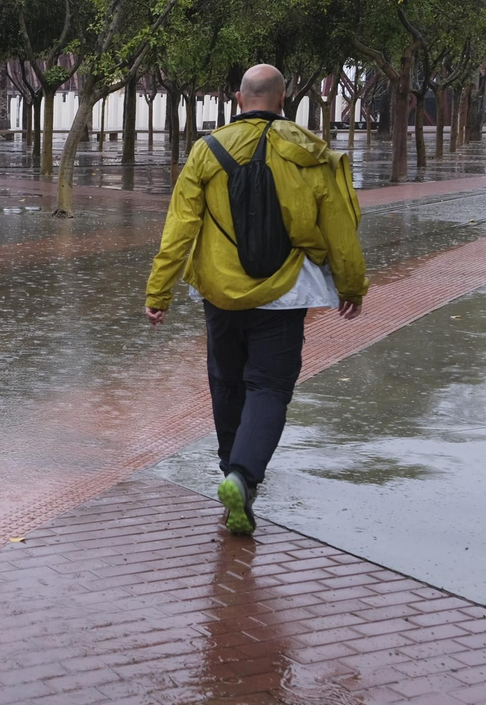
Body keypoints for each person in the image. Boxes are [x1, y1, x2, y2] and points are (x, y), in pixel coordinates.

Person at [144, 64, 367, 536]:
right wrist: (351, 285)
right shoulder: (311, 151)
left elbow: (179, 228)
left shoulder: (205, 152)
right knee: (269, 387)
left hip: (219, 293)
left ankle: (230, 471)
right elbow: (340, 227)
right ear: (283, 100)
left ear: (238, 99)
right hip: (286, 294)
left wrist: (158, 291)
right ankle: (244, 476)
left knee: (226, 383)